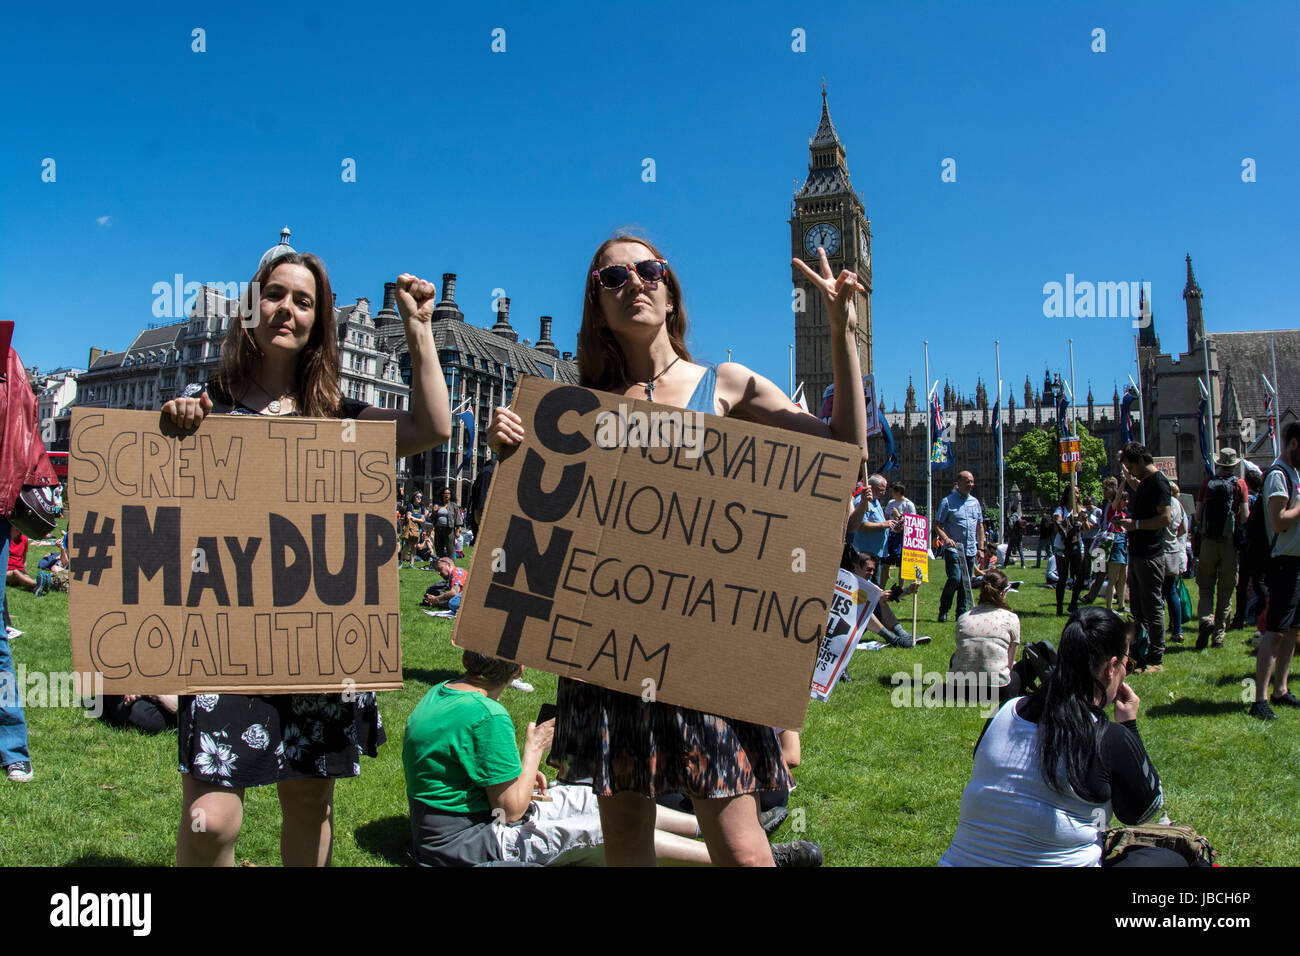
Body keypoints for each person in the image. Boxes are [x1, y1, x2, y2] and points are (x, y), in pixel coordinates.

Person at [488, 233, 866, 866]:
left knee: (743, 852)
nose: (634, 282)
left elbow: (843, 454)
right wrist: (510, 461)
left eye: (649, 270)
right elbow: (532, 538)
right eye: (613, 279)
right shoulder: (576, 410)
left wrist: (840, 331)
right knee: (629, 849)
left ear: (670, 291)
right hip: (604, 651)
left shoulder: (725, 386)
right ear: (597, 307)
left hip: (702, 651)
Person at [161, 251, 451, 866]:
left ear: (320, 322)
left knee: (309, 803)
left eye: (303, 300)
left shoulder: (338, 417)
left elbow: (432, 427)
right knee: (210, 819)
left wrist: (419, 329)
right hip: (223, 635)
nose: (286, 309)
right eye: (274, 294)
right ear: (250, 306)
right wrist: (176, 423)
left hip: (313, 636)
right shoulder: (207, 402)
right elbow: (157, 493)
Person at [940, 608, 1168, 867]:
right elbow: (1142, 810)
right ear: (1111, 667)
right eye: (1128, 663)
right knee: (1167, 859)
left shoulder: (1005, 712)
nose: (1127, 671)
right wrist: (1129, 727)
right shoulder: (1107, 737)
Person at [1250, 422, 1300, 720]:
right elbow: (1279, 520)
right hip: (1283, 562)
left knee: (1292, 631)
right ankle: (1259, 699)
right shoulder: (1278, 476)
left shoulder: (1294, 474)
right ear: (1293, 443)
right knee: (1276, 631)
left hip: (1296, 560)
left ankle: (1280, 689)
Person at [1116, 442, 1172, 674]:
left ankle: (1156, 658)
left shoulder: (1159, 482)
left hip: (1150, 554)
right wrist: (1128, 479)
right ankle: (1141, 653)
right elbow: (1141, 492)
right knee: (1138, 608)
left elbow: (1165, 518)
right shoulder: (1146, 483)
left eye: (1131, 466)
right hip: (1137, 552)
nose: (1131, 471)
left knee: (1152, 607)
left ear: (1140, 461)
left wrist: (1135, 525)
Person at [1193, 447, 1250, 649]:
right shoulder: (1240, 484)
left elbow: (1198, 515)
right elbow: (1245, 515)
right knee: (1226, 590)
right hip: (1229, 543)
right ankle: (1218, 635)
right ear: (1234, 466)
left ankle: (1206, 620)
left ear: (1218, 465)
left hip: (1208, 541)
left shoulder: (1207, 483)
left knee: (1206, 587)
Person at [949, 569, 1021, 700]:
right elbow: (1009, 665)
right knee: (1020, 671)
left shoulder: (964, 617)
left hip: (960, 689)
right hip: (996, 690)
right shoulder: (1011, 618)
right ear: (1004, 592)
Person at [850, 550, 931, 648]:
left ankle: (903, 634)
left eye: (873, 570)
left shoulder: (867, 583)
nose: (871, 573)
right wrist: (876, 597)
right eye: (868, 569)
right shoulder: (847, 581)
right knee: (865, 606)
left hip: (858, 626)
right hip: (848, 626)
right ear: (857, 568)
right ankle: (892, 639)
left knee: (881, 602)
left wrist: (908, 591)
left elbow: (888, 596)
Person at [935, 471, 984, 623]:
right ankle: (944, 609)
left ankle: (961, 614)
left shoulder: (975, 502)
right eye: (967, 481)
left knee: (966, 582)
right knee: (955, 578)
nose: (970, 484)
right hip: (953, 548)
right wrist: (946, 539)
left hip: (970, 548)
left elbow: (980, 526)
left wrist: (981, 548)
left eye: (972, 481)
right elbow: (937, 525)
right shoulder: (947, 502)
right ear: (959, 483)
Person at [1052, 485, 1090, 617]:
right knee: (1062, 577)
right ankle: (1059, 607)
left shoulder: (1081, 510)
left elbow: (1087, 529)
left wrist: (1083, 519)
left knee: (1080, 576)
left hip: (1077, 545)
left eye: (1078, 493)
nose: (1077, 495)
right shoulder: (1061, 510)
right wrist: (1071, 519)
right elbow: (1058, 527)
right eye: (1074, 492)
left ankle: (1073, 603)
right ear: (1068, 494)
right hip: (1062, 546)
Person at [848, 474, 890, 586]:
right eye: (881, 490)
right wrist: (884, 525)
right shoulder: (862, 502)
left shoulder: (876, 502)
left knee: (874, 585)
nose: (883, 493)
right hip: (866, 554)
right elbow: (861, 525)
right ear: (871, 487)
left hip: (876, 552)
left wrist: (892, 526)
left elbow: (879, 521)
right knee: (866, 585)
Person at [1161, 482, 1188, 644]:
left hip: (1160, 550)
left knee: (1158, 594)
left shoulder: (1163, 503)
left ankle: (1158, 631)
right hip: (1174, 549)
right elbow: (1183, 528)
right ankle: (1177, 629)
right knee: (1171, 591)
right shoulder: (1178, 504)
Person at [881, 481, 916, 586]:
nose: (891, 493)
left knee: (902, 564)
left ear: (899, 491)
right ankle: (882, 586)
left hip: (902, 537)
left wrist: (899, 515)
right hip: (891, 535)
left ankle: (901, 587)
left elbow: (912, 522)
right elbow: (885, 516)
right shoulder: (891, 503)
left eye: (893, 491)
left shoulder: (908, 505)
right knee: (886, 562)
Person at [400, 491, 427, 568]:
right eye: (417, 496)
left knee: (414, 546)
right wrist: (417, 519)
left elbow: (423, 520)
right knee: (407, 545)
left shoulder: (421, 507)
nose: (419, 498)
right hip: (410, 528)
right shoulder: (410, 506)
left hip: (418, 529)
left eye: (420, 497)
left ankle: (411, 564)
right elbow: (408, 517)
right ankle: (401, 562)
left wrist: (414, 518)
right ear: (414, 497)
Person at [431, 486, 460, 559]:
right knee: (438, 549)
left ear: (451, 495)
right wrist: (434, 511)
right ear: (442, 494)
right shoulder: (438, 505)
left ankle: (451, 566)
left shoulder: (454, 505)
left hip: (449, 530)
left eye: (448, 493)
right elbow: (432, 518)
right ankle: (441, 566)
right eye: (445, 493)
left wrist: (458, 530)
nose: (447, 495)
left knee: (450, 549)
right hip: (438, 529)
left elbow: (458, 518)